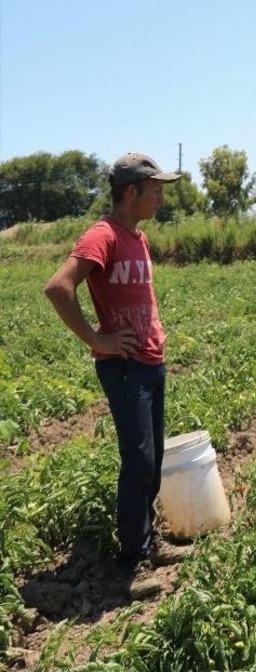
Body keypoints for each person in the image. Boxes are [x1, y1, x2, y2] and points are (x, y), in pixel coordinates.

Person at [44, 152, 190, 597]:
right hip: (124, 366)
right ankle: (132, 561)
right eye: (155, 190)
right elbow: (58, 287)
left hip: (150, 360)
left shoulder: (138, 237)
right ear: (131, 192)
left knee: (153, 456)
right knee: (139, 458)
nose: (161, 197)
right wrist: (97, 338)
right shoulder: (102, 235)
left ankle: (147, 540)